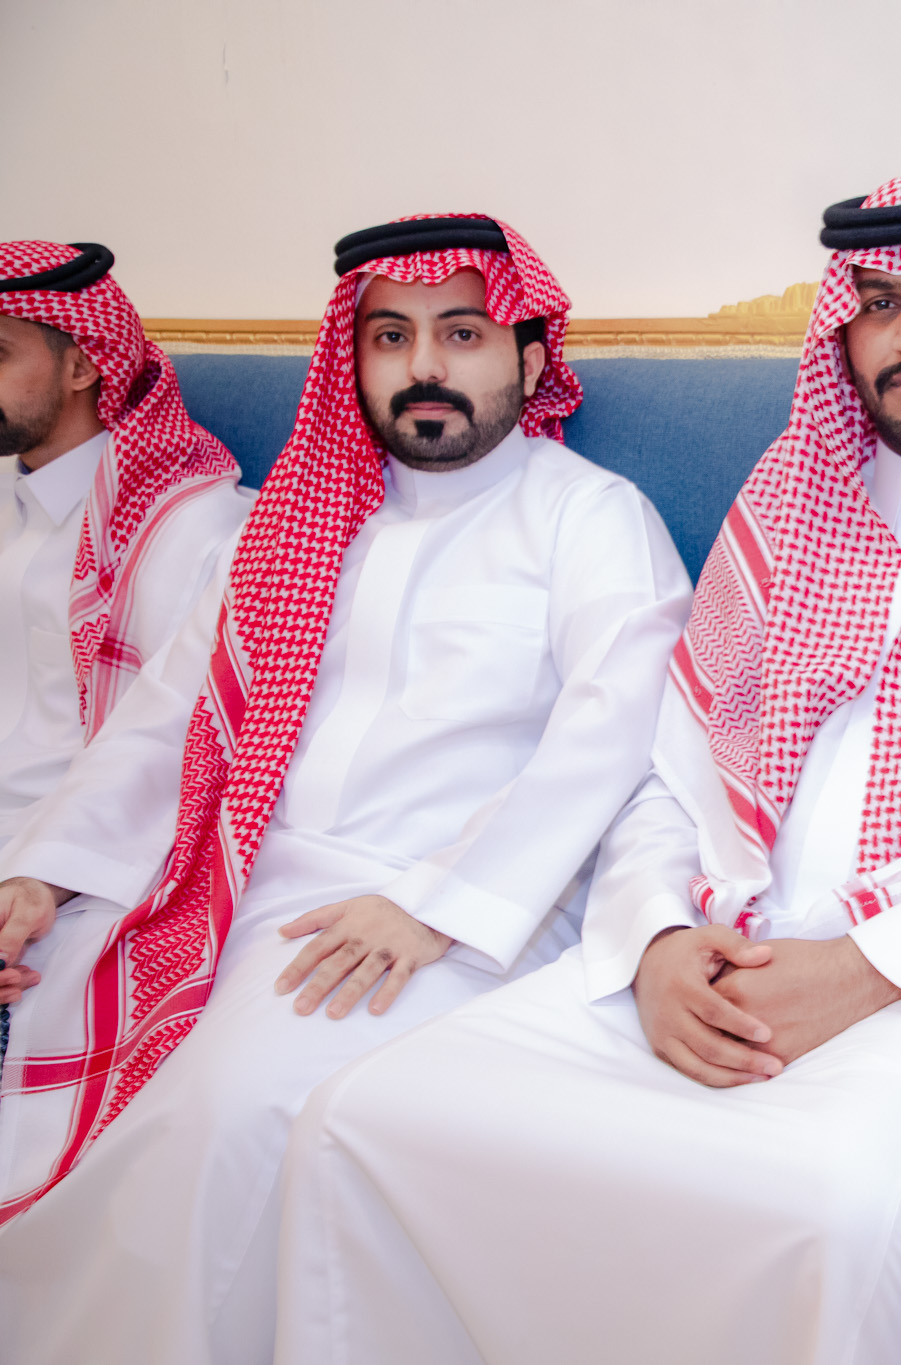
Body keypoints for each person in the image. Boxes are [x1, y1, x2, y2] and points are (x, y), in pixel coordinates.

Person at [273, 174, 901, 1365]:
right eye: (879, 304)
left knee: (824, 1214)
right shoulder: (784, 507)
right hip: (715, 955)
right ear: (839, 332)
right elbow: (666, 776)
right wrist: (653, 944)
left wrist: (864, 970)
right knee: (369, 1120)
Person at [0, 214, 692, 1365]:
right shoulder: (298, 520)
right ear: (352, 360)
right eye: (390, 337)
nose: (423, 366)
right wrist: (44, 873)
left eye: (460, 334)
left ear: (527, 361)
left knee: (225, 1114)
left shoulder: (586, 515)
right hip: (239, 878)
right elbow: (168, 712)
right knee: (56, 1013)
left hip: (453, 909)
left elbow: (611, 732)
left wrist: (435, 902)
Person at [0, 238, 246, 897]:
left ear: (82, 366)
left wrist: (42, 875)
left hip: (61, 860)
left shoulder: (187, 532)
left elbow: (167, 747)